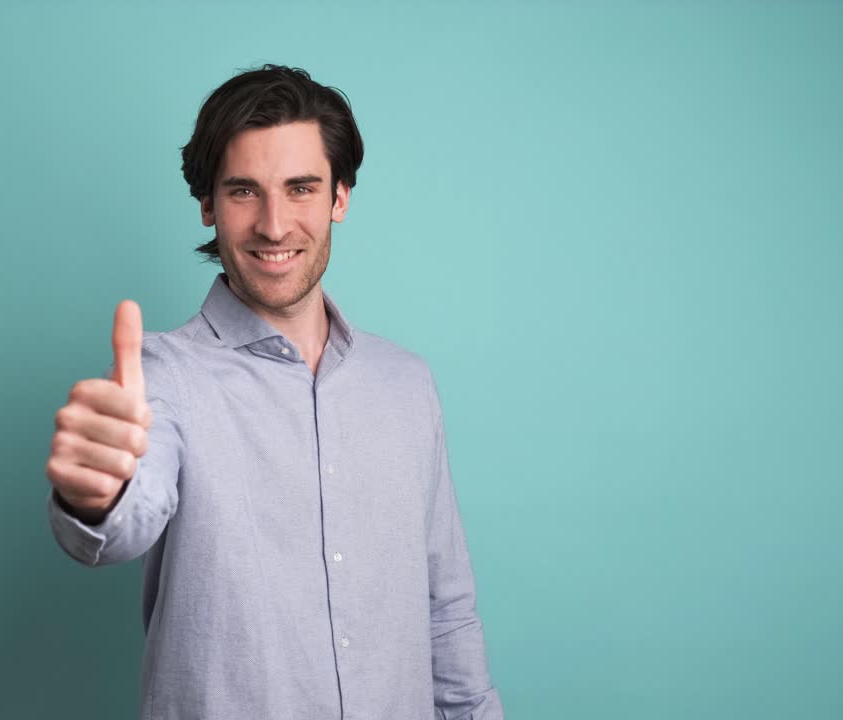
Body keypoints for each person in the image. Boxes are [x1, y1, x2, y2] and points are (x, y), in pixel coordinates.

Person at [45, 64, 504, 720]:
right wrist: (94, 496)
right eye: (243, 192)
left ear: (339, 197)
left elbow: (447, 612)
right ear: (208, 206)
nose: (274, 224)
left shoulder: (407, 384)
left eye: (301, 188)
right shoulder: (164, 376)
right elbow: (122, 521)